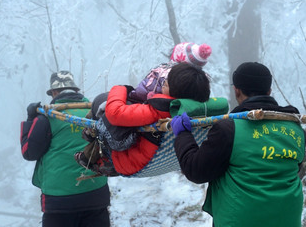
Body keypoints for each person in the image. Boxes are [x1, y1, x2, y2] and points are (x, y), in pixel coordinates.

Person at [171, 62, 306, 227]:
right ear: (269, 89)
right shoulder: (295, 129)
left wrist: (182, 135)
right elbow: (298, 168)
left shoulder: (229, 129)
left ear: (237, 92)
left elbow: (197, 170)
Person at [20, 70, 110, 227]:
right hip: (95, 197)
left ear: (55, 94)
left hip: (59, 203)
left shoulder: (47, 117)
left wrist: (30, 118)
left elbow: (29, 151)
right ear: (76, 91)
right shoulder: (97, 111)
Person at [75, 42, 212, 174]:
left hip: (129, 161)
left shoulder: (158, 109)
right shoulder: (198, 109)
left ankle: (93, 147)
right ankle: (91, 135)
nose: (163, 83)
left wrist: (120, 88)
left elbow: (115, 113)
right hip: (163, 158)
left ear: (177, 91)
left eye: (167, 83)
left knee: (103, 100)